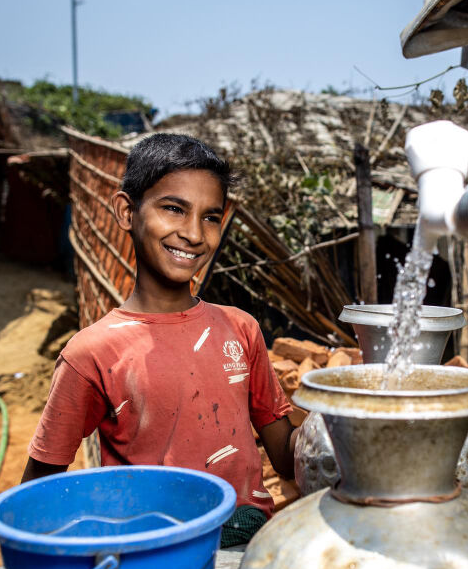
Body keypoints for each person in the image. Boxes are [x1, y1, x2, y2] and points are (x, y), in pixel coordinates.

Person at [21, 133, 297, 547]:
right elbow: (36, 498)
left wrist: (344, 420)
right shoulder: (93, 353)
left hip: (246, 539)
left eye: (210, 217)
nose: (193, 234)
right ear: (127, 212)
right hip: (154, 551)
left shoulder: (240, 329)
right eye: (174, 209)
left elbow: (285, 457)